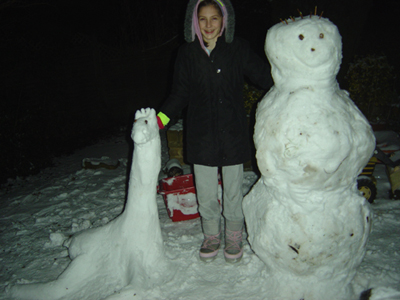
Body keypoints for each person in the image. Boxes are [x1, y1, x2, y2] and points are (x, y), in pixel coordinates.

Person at [156, 0, 272, 263]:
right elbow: (178, 94)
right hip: (202, 136)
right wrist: (159, 120)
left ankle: (233, 234)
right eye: (203, 19)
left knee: (233, 190)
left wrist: (290, 79)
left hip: (232, 134)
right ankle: (211, 234)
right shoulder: (187, 54)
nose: (208, 25)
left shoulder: (237, 49)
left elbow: (264, 77)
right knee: (205, 191)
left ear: (224, 21)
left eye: (214, 19)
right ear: (194, 21)